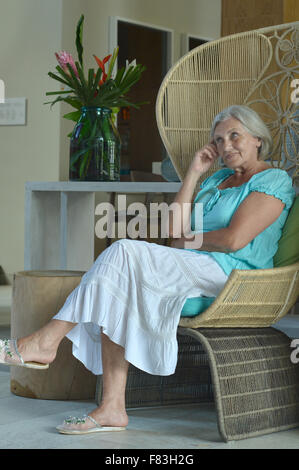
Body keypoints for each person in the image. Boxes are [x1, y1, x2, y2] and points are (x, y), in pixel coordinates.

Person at [0, 105, 295, 435]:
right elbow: (173, 230)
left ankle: (47, 339)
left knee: (124, 250)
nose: (226, 146)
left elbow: (234, 239)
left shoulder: (273, 179)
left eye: (235, 136)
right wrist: (195, 173)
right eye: (219, 139)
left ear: (257, 138)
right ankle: (112, 408)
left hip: (234, 277)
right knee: (120, 282)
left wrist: (188, 241)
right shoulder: (218, 180)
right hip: (194, 267)